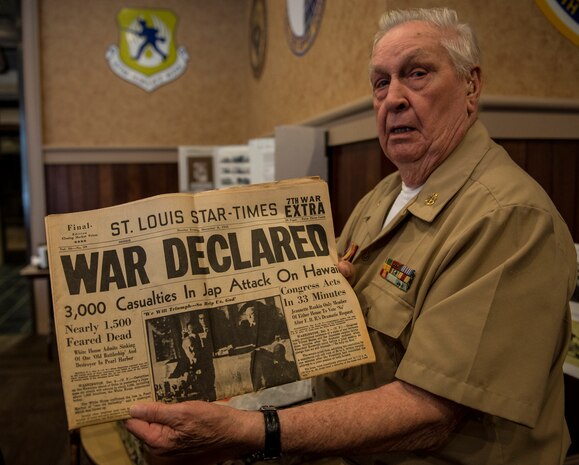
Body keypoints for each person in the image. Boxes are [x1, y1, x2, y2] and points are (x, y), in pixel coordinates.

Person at [124, 8, 576, 465]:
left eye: (417, 74)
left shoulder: (509, 218)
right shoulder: (381, 197)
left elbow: (430, 413)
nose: (393, 98)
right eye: (381, 83)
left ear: (471, 87)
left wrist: (250, 431)